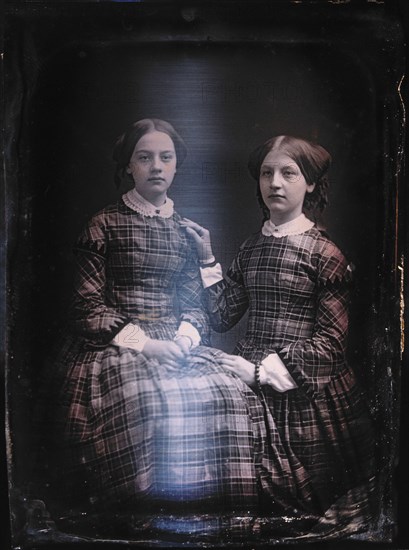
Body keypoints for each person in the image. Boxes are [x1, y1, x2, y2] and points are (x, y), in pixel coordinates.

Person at [41, 119, 275, 526]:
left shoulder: (186, 232)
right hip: (116, 343)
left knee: (229, 392)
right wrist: (146, 345)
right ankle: (146, 521)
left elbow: (195, 305)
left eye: (165, 158)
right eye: (144, 157)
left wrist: (184, 341)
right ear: (129, 166)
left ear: (176, 166)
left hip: (174, 339)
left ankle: (216, 519)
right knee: (145, 400)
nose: (156, 166)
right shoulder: (103, 225)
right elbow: (86, 308)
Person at [181, 135, 376, 535]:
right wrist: (206, 258)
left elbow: (331, 344)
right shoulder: (251, 248)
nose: (275, 183)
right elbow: (220, 317)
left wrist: (259, 373)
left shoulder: (325, 254)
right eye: (267, 173)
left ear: (311, 184)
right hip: (245, 373)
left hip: (304, 390)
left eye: (289, 173)